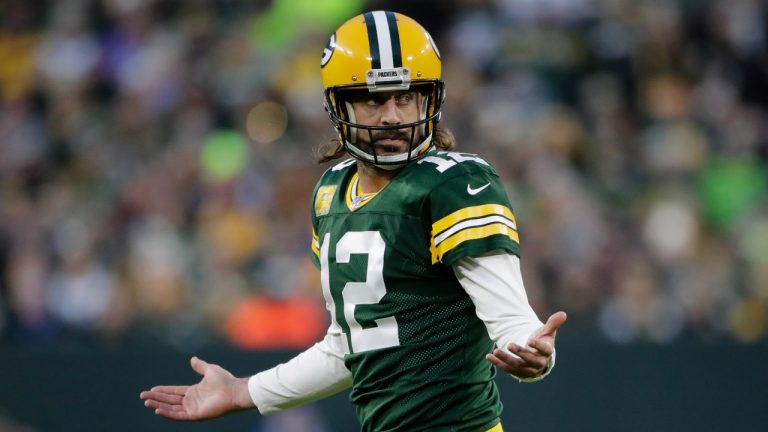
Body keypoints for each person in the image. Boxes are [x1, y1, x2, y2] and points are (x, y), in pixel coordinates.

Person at [140, 11, 567, 431]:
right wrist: (242, 391)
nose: (393, 116)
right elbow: (350, 346)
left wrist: (531, 351)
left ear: (428, 99)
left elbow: (510, 317)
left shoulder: (456, 182)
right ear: (337, 104)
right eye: (373, 99)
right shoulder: (331, 192)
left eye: (405, 97)